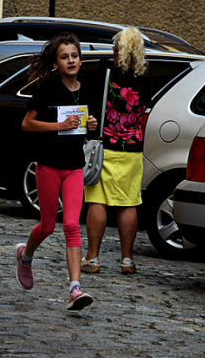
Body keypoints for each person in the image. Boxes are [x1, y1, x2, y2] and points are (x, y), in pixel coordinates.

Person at [15, 32, 98, 311]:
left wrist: (91, 124)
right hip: (48, 165)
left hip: (74, 166)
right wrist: (58, 126)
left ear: (80, 59)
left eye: (74, 55)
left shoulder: (85, 86)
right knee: (48, 226)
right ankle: (25, 257)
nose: (71, 60)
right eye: (64, 57)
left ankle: (75, 289)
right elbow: (27, 124)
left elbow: (84, 120)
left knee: (72, 224)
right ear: (56, 62)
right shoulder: (47, 89)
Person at [82, 27, 151, 275]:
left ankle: (92, 258)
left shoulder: (104, 75)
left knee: (97, 201)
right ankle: (126, 260)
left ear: (116, 51)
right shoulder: (144, 81)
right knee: (128, 203)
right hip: (131, 150)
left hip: (103, 147)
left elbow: (88, 107)